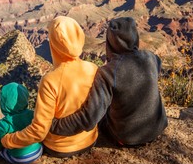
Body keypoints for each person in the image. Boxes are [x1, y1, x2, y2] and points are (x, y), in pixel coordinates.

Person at [50, 17, 168, 146]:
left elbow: (89, 118)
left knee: (101, 115)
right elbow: (154, 70)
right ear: (135, 37)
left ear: (110, 43)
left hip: (127, 138)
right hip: (158, 127)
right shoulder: (152, 57)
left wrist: (53, 125)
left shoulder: (108, 72)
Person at [1, 16, 99, 157]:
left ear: (54, 44)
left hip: (61, 148)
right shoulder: (93, 68)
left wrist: (7, 140)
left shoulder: (50, 81)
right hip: (90, 140)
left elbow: (38, 131)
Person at [0, 82, 43, 164]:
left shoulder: (5, 123)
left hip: (19, 158)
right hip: (38, 151)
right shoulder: (33, 114)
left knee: (1, 151)